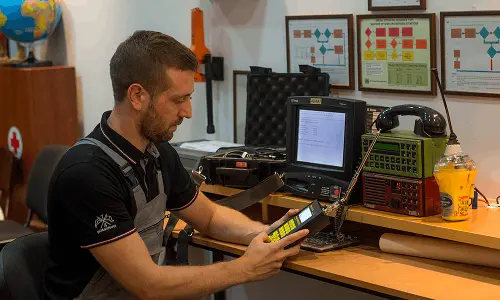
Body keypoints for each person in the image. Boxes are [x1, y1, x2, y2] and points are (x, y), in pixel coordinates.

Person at [43, 30, 308, 300]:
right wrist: (245, 268)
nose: (188, 111)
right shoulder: (87, 174)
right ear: (137, 96)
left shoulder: (157, 151)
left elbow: (211, 217)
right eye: (179, 99)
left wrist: (267, 234)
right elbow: (149, 285)